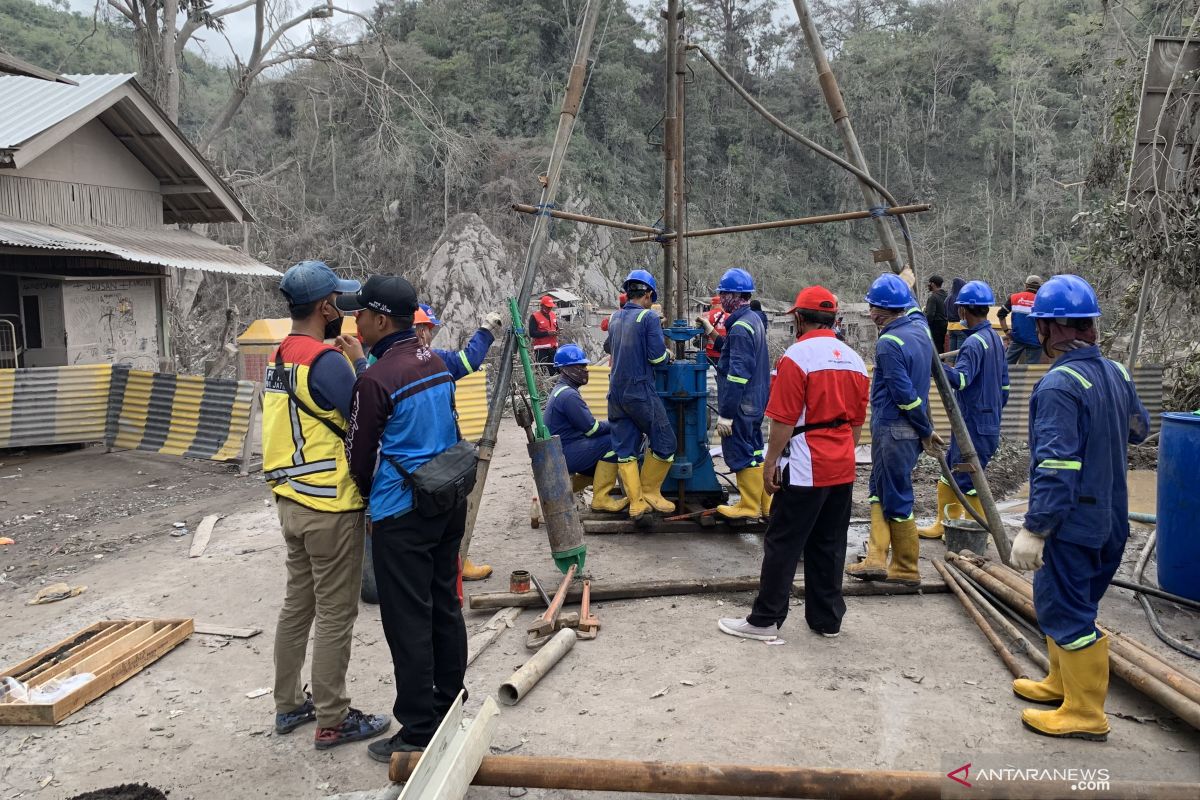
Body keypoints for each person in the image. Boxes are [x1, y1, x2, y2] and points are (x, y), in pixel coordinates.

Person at [1008, 274, 1149, 741]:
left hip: (1072, 522)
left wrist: (1036, 527)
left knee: (1067, 611)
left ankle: (1086, 713)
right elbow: (1138, 429)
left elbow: (1056, 465)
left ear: (1052, 328)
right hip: (1111, 518)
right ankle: (1061, 684)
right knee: (1072, 604)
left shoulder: (1057, 386)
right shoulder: (1118, 372)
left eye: (1041, 326)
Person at [262, 260, 389, 750]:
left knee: (298, 606)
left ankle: (289, 703)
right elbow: (367, 411)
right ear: (325, 307)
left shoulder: (281, 356)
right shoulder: (326, 361)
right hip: (330, 507)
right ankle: (333, 719)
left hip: (291, 502)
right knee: (336, 614)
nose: (345, 308)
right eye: (339, 300)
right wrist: (358, 363)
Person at [340, 275, 469, 761]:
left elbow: (359, 456)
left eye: (360, 314)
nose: (354, 321)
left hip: (403, 513)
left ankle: (417, 729)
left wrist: (372, 504)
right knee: (444, 603)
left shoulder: (374, 380)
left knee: (407, 620)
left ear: (379, 319)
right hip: (448, 499)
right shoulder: (434, 361)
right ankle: (451, 701)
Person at [718, 286, 869, 641]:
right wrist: (843, 454)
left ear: (799, 319)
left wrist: (770, 463)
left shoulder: (797, 357)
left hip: (805, 464)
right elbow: (858, 424)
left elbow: (783, 420)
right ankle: (827, 620)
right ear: (834, 319)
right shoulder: (855, 360)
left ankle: (765, 619)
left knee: (783, 542)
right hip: (842, 464)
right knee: (829, 543)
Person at [846, 273, 944, 587]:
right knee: (879, 487)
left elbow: (904, 396)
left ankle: (905, 565)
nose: (870, 313)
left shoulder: (888, 343)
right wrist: (904, 283)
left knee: (897, 495)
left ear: (878, 311)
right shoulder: (920, 329)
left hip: (894, 429)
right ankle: (876, 557)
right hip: (906, 432)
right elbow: (912, 307)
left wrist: (926, 428)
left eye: (872, 307)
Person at [918, 281, 1010, 539]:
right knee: (952, 471)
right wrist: (991, 411)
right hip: (988, 422)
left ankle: (970, 533)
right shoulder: (995, 339)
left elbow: (960, 380)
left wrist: (935, 365)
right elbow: (1005, 388)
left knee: (968, 478)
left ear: (962, 311)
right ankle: (945, 525)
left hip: (972, 423)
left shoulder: (973, 344)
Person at [696, 268, 770, 520]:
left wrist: (726, 415)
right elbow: (731, 350)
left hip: (741, 403)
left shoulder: (739, 327)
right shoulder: (753, 320)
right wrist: (712, 333)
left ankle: (749, 506)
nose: (721, 298)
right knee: (755, 450)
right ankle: (764, 504)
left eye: (723, 293)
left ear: (734, 295)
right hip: (757, 400)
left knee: (739, 450)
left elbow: (737, 375)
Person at [607, 269, 676, 522]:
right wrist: (668, 355)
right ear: (647, 294)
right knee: (666, 441)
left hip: (615, 392)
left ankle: (635, 503)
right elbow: (657, 359)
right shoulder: (648, 318)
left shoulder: (615, 317)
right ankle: (649, 492)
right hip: (640, 391)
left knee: (625, 448)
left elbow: (613, 346)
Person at [543, 344, 621, 504]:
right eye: (581, 366)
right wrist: (617, 424)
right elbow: (591, 430)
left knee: (605, 444)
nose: (586, 370)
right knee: (615, 442)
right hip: (566, 453)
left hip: (562, 450)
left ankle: (561, 493)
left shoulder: (562, 390)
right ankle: (601, 499)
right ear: (565, 369)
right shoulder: (569, 396)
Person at [415, 303, 503, 382]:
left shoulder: (402, 361)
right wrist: (486, 328)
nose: (431, 335)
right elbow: (468, 361)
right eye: (429, 330)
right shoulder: (431, 359)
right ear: (422, 332)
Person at [998, 275, 1043, 364]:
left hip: (1017, 339)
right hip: (1035, 342)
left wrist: (1007, 331)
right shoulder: (1042, 300)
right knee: (1032, 372)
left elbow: (1000, 314)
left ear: (1026, 286)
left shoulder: (1014, 298)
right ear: (1040, 288)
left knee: (1005, 366)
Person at [529, 295, 559, 374]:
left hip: (553, 348)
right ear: (542, 306)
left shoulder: (553, 315)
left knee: (555, 371)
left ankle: (554, 386)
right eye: (547, 307)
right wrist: (547, 333)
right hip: (541, 350)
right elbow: (532, 333)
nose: (549, 309)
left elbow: (556, 327)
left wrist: (557, 332)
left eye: (550, 307)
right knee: (540, 371)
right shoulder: (535, 316)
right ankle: (540, 386)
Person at [924, 275, 949, 354]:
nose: (928, 285)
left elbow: (930, 315)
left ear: (933, 284)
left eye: (929, 283)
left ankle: (936, 365)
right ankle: (941, 363)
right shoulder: (947, 296)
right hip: (945, 324)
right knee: (941, 346)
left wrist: (926, 325)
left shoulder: (933, 298)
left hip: (935, 326)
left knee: (935, 347)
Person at [702, 294, 727, 364]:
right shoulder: (729, 315)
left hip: (709, 352)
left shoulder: (705, 315)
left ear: (713, 304)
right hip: (724, 351)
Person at [945, 277, 968, 352]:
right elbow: (963, 311)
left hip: (950, 328)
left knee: (951, 354)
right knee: (959, 353)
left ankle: (949, 363)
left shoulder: (948, 298)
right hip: (960, 327)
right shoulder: (960, 298)